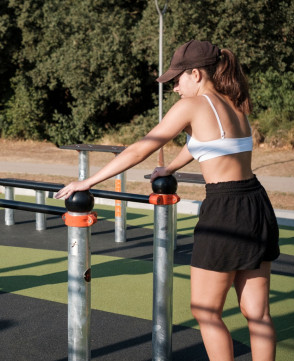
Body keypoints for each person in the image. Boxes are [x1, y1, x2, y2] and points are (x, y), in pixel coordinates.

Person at [55, 40, 280, 360]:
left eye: (177, 79)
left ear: (196, 74)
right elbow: (207, 142)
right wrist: (171, 166)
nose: (174, 87)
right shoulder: (235, 100)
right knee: (257, 313)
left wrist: (87, 181)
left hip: (225, 210)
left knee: (205, 310)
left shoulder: (192, 106)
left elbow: (138, 149)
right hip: (256, 203)